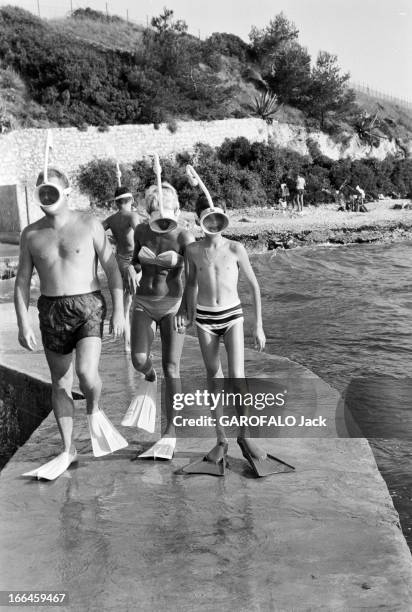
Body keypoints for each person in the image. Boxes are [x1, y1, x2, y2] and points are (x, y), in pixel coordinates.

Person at [15, 167, 128, 480]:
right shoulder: (31, 234)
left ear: (66, 192)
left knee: (85, 373)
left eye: (51, 188)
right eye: (40, 189)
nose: (45, 194)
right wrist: (24, 321)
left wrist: (119, 310)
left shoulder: (89, 224)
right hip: (51, 309)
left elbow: (112, 268)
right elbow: (23, 280)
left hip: (88, 304)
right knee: (61, 383)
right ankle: (68, 449)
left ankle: (94, 410)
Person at [182, 194, 289, 477]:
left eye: (216, 215)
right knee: (213, 377)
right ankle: (220, 440)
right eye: (206, 215)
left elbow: (254, 286)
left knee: (238, 378)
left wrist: (258, 325)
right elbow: (190, 283)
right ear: (198, 220)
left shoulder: (235, 248)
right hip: (205, 319)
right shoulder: (192, 251)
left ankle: (245, 436)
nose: (212, 221)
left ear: (223, 217)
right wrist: (187, 311)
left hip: (232, 316)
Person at [121, 182, 195, 460]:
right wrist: (129, 267)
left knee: (172, 367)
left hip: (172, 305)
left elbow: (194, 279)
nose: (161, 218)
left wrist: (187, 311)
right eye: (155, 211)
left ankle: (169, 433)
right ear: (149, 211)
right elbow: (133, 259)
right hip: (143, 302)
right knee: (139, 359)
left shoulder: (184, 237)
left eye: (167, 211)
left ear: (176, 210)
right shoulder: (141, 230)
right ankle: (149, 377)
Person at [102, 185, 141, 350]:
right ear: (131, 200)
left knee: (126, 304)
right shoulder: (132, 215)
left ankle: (127, 345)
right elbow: (140, 236)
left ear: (116, 203)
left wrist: (110, 242)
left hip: (119, 261)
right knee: (140, 302)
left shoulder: (111, 219)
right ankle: (136, 344)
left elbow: (95, 230)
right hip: (134, 262)